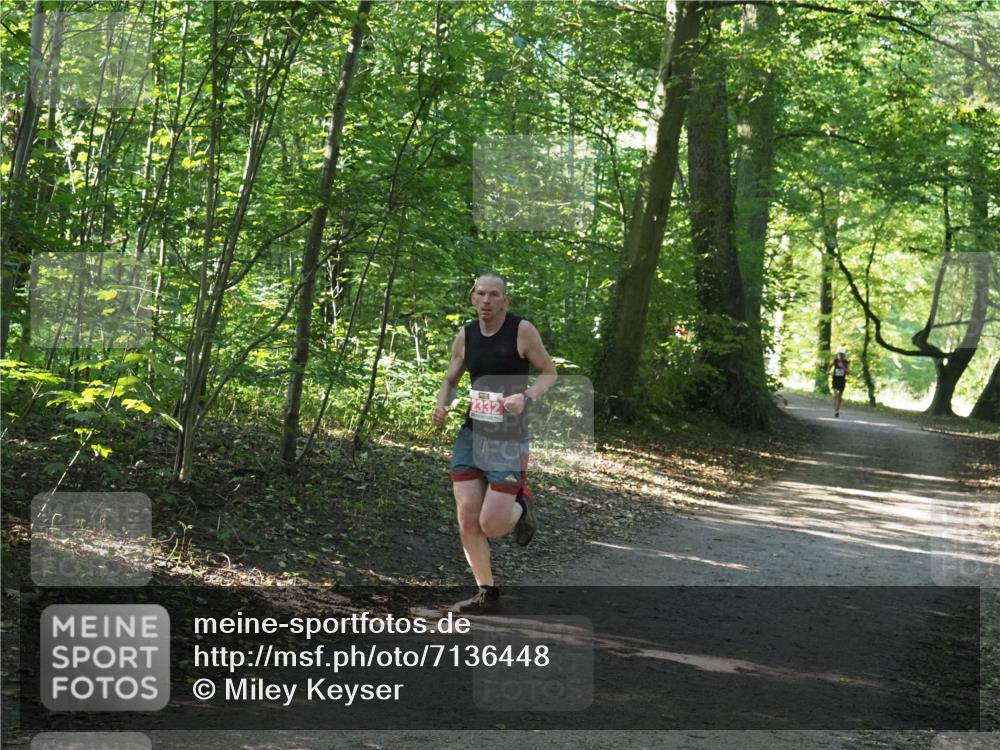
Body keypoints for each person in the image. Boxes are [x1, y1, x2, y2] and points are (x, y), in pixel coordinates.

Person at [432, 273, 557, 614]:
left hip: (509, 438)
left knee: (492, 524)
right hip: (471, 435)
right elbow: (450, 379)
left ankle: (522, 504)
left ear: (505, 300)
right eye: (481, 293)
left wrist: (526, 397)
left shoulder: (521, 331)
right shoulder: (466, 335)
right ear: (472, 297)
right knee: (467, 518)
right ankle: (486, 593)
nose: (486, 300)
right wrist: (442, 405)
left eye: (494, 294)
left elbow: (549, 372)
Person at [829, 348, 849, 417]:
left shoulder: (846, 362)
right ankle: (835, 410)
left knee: (840, 395)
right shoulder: (835, 360)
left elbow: (848, 372)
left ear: (844, 355)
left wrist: (843, 367)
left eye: (842, 354)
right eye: (839, 354)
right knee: (836, 394)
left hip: (842, 380)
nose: (840, 356)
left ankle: (838, 409)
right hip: (835, 379)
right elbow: (830, 365)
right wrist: (828, 371)